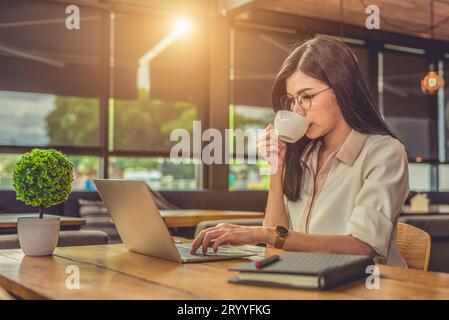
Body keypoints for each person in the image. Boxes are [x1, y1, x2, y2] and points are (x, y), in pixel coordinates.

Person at [191, 37, 409, 267]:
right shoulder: (305, 155)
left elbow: (362, 247)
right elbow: (275, 247)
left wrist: (263, 233)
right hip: (307, 279)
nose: (297, 111)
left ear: (342, 88)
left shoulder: (384, 153)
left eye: (307, 97)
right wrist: (276, 169)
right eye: (293, 100)